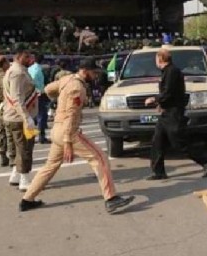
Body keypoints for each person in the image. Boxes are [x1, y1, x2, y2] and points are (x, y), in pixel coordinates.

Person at [19, 58, 135, 213]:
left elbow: (48, 89)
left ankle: (27, 199)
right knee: (100, 158)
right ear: (85, 71)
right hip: (68, 131)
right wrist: (68, 141)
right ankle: (111, 198)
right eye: (93, 72)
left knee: (50, 166)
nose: (95, 76)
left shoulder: (67, 79)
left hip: (56, 130)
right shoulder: (77, 88)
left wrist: (59, 98)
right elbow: (71, 115)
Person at [144, 48, 207, 180]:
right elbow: (168, 93)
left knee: (179, 142)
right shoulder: (166, 72)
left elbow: (169, 92)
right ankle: (158, 171)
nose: (155, 61)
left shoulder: (172, 71)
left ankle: (205, 161)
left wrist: (155, 99)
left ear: (160, 59)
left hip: (174, 113)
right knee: (157, 142)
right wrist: (161, 104)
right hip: (166, 113)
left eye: (156, 58)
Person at [3, 49, 38, 191]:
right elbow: (16, 98)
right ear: (18, 56)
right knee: (25, 148)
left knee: (19, 148)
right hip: (19, 118)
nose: (30, 58)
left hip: (13, 116)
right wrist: (27, 117)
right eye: (26, 56)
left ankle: (15, 175)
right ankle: (24, 178)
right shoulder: (17, 73)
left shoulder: (16, 70)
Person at [28, 52, 50, 144]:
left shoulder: (29, 69)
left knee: (31, 116)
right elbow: (40, 84)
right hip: (39, 94)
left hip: (30, 94)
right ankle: (41, 137)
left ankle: (30, 136)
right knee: (42, 116)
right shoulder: (39, 70)